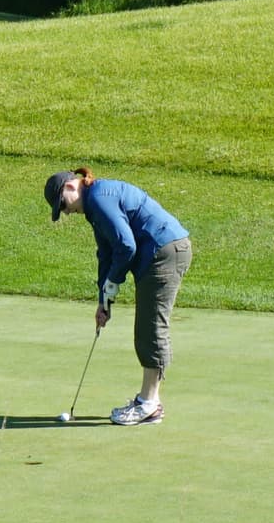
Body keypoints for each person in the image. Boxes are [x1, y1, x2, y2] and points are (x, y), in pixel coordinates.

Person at [44, 167, 191, 426]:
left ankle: (149, 404)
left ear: (70, 187)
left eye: (62, 205)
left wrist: (113, 282)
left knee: (151, 327)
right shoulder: (93, 204)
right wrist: (104, 300)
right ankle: (149, 401)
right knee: (147, 326)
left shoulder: (99, 198)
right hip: (160, 253)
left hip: (165, 252)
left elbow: (126, 246)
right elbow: (107, 254)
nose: (66, 212)